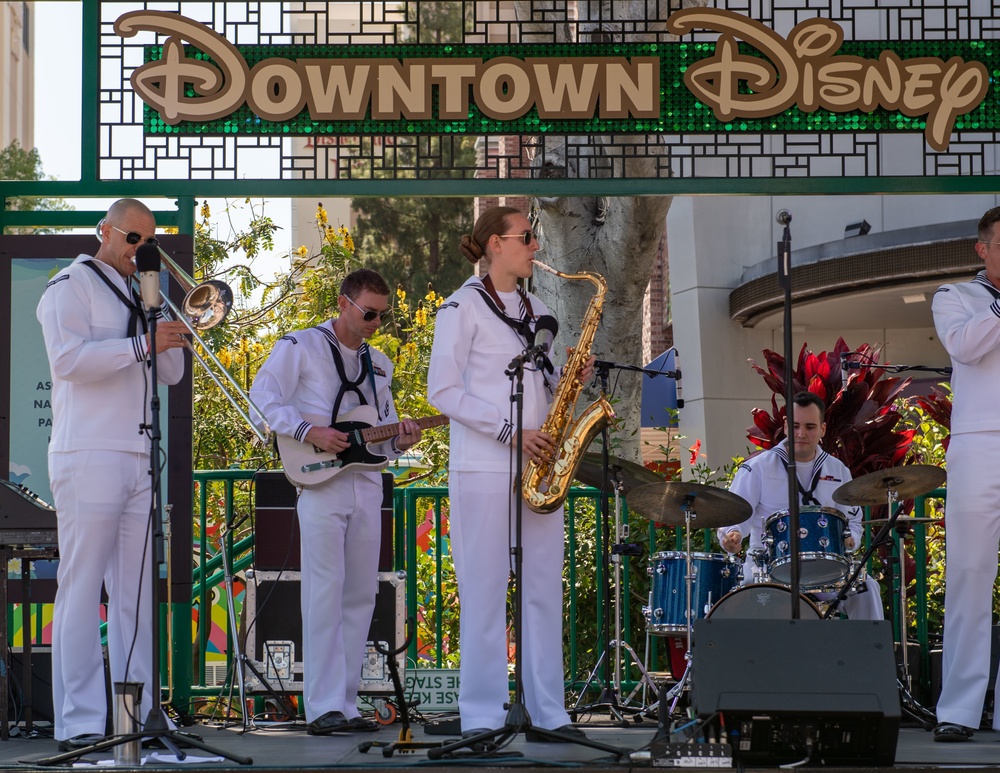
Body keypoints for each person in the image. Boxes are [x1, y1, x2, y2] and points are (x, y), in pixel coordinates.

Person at [427, 206, 593, 742]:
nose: (536, 246)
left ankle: (549, 714)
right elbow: (442, 391)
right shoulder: (461, 307)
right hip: (482, 465)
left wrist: (571, 379)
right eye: (527, 237)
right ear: (495, 244)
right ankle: (481, 716)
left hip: (539, 468)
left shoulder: (538, 306)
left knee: (544, 589)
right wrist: (509, 432)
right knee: (483, 589)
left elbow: (540, 387)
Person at [36, 199, 190, 750]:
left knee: (136, 593)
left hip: (138, 453)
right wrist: (142, 341)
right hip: (88, 452)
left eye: (150, 241)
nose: (141, 251)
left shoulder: (143, 292)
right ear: (104, 231)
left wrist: (172, 329)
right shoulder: (68, 285)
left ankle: (141, 716)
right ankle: (79, 723)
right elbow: (68, 362)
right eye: (132, 238)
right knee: (81, 588)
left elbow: (168, 371)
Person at [249, 268, 422, 735]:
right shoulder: (300, 346)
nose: (374, 323)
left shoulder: (379, 363)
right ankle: (322, 705)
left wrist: (402, 440)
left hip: (367, 484)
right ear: (343, 303)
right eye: (368, 313)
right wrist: (308, 431)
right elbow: (261, 397)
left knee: (361, 595)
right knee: (324, 592)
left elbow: (380, 432)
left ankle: (345, 704)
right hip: (320, 483)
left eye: (382, 317)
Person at [717, 391, 884, 621]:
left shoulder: (838, 470)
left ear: (822, 429)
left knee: (867, 588)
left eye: (810, 427)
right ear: (785, 426)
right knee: (749, 596)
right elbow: (733, 515)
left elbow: (853, 520)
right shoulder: (758, 467)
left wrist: (851, 538)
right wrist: (731, 536)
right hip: (766, 568)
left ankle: (868, 655)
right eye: (795, 426)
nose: (801, 434)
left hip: (825, 569)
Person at [930, 205, 1000, 742]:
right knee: (971, 576)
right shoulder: (957, 297)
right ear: (983, 248)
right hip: (981, 444)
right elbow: (965, 348)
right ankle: (958, 710)